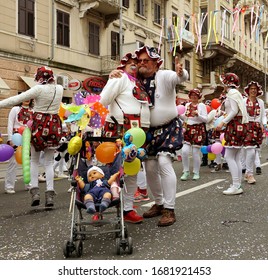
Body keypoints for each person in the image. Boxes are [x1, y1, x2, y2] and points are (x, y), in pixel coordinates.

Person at [134, 46, 188, 226]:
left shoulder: (163, 76)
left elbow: (179, 78)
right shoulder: (136, 81)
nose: (142, 64)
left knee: (164, 163)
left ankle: (169, 210)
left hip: (169, 127)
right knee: (149, 167)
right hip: (148, 131)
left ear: (156, 64)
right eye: (140, 61)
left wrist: (182, 72)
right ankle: (159, 203)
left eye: (146, 61)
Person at [0, 66, 63, 206]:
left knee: (34, 160)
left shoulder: (38, 89)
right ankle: (50, 194)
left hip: (38, 125)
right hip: (53, 125)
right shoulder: (60, 89)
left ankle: (35, 191)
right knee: (49, 162)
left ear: (39, 77)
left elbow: (16, 98)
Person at [100, 52, 151, 224]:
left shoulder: (139, 83)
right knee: (111, 170)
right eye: (131, 63)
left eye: (137, 63)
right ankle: (104, 204)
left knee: (132, 170)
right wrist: (112, 79)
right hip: (119, 129)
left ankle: (128, 208)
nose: (135, 65)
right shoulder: (120, 77)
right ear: (123, 65)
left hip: (136, 131)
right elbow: (104, 99)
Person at [216, 73, 248, 195]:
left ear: (227, 83)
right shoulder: (235, 93)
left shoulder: (232, 94)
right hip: (238, 125)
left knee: (229, 156)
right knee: (236, 157)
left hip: (234, 126)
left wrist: (223, 122)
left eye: (223, 82)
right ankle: (237, 184)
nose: (222, 84)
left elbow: (234, 110)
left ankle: (236, 185)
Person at [4, 100, 34, 194]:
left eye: (29, 97)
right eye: (25, 97)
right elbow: (10, 124)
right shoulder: (14, 109)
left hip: (28, 137)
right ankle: (9, 186)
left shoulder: (33, 111)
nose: (27, 99)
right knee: (13, 162)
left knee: (28, 162)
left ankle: (28, 184)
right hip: (16, 137)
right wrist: (10, 139)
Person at [179, 89, 208, 181]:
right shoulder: (187, 105)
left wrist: (198, 115)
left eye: (195, 95)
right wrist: (179, 115)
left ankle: (196, 172)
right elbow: (185, 117)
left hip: (198, 129)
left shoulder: (201, 105)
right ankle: (186, 171)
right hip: (188, 129)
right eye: (192, 95)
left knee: (195, 153)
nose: (193, 97)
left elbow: (206, 119)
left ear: (198, 96)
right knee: (184, 151)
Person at [242, 81, 266, 184]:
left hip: (257, 127)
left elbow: (263, 115)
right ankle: (250, 173)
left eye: (255, 89)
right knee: (250, 150)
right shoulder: (244, 101)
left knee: (252, 151)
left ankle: (247, 173)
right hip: (247, 126)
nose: (253, 90)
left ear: (257, 91)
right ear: (248, 90)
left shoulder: (260, 102)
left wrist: (264, 124)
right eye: (251, 89)